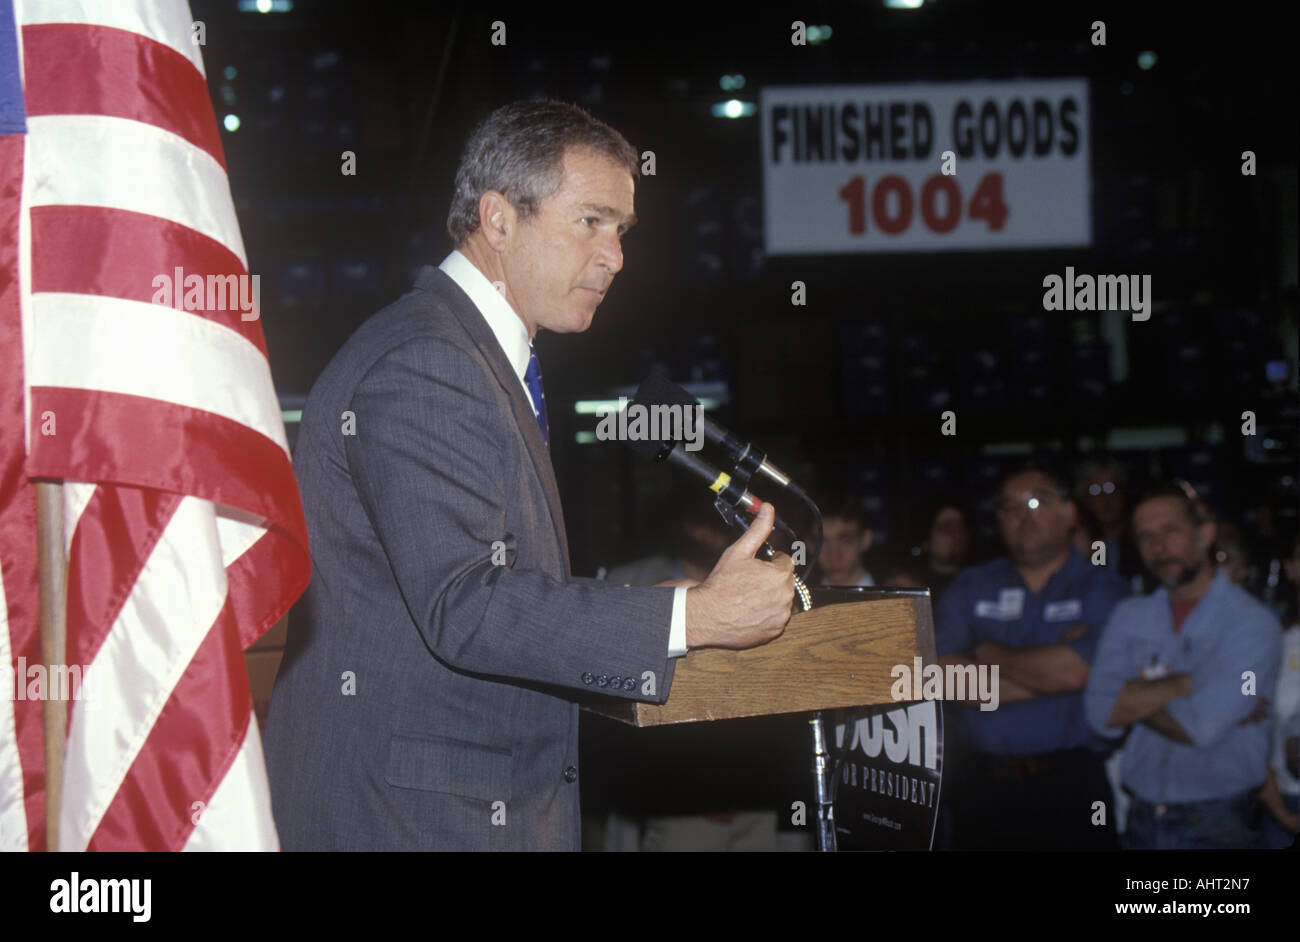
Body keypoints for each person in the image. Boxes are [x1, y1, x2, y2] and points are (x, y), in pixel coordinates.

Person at [262, 100, 795, 851]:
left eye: (622, 230)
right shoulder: (428, 362)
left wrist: (650, 610)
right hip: (408, 823)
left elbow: (480, 585)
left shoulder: (470, 355)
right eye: (591, 221)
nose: (615, 255)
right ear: (499, 220)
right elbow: (467, 606)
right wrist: (695, 620)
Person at [935, 464, 1129, 850]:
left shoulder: (1103, 589)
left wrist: (982, 651)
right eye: (1009, 508)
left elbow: (1075, 672)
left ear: (1070, 512)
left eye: (1036, 502)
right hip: (982, 788)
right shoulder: (972, 586)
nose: (1022, 517)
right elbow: (940, 677)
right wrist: (1054, 673)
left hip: (1070, 786)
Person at [1084, 483, 1283, 850]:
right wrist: (1190, 682)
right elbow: (1098, 713)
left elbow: (1202, 728)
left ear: (1205, 535)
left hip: (1222, 818)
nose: (1158, 546)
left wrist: (1130, 697)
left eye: (1170, 530)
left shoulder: (1252, 622)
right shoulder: (1130, 615)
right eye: (1145, 536)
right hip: (1141, 815)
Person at [815, 491, 875, 587]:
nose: (834, 557)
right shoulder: (794, 599)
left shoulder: (899, 598)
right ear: (809, 545)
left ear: (865, 540)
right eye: (822, 543)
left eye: (846, 542)